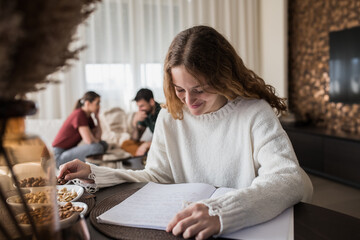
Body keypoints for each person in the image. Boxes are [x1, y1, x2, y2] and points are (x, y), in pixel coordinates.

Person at [58, 26, 313, 239]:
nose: (189, 101)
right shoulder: (171, 116)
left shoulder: (254, 113)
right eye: (180, 89)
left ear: (223, 77)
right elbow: (157, 176)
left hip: (243, 229)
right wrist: (96, 174)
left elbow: (288, 178)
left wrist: (223, 212)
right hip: (188, 231)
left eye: (199, 89)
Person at [52, 91, 108, 168]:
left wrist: (97, 118)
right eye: (97, 103)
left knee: (103, 144)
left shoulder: (88, 117)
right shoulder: (79, 114)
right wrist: (96, 141)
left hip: (67, 152)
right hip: (59, 156)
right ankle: (94, 170)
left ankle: (93, 168)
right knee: (97, 147)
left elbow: (98, 137)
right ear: (88, 103)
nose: (99, 106)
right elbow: (89, 141)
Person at [121, 88, 161, 156]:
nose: (139, 109)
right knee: (126, 144)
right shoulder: (145, 113)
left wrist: (147, 144)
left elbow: (164, 139)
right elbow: (136, 138)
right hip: (153, 144)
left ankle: (143, 155)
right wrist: (135, 123)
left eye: (142, 106)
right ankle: (143, 155)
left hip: (161, 144)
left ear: (151, 102)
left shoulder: (162, 112)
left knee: (148, 148)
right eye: (138, 106)